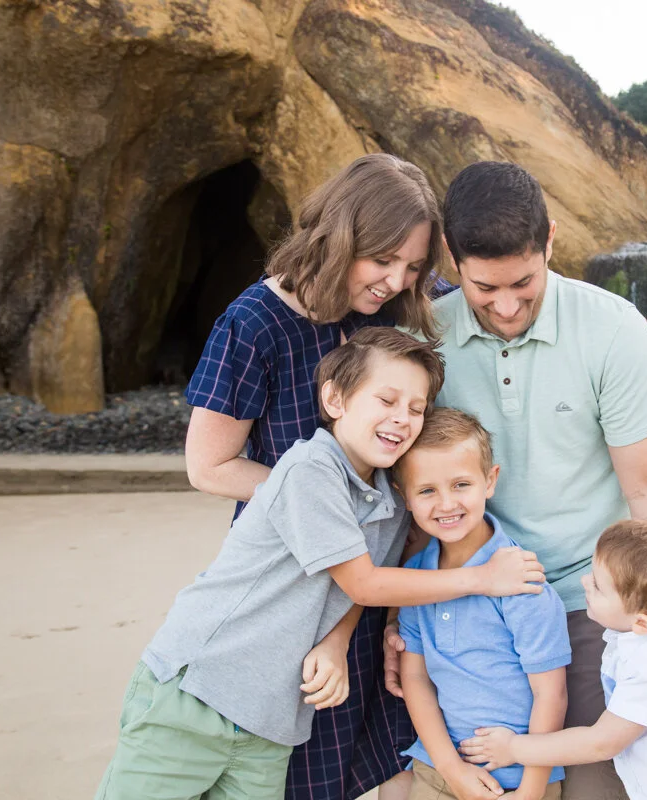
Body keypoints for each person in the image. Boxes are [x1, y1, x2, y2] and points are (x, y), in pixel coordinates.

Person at [387, 161, 647, 800]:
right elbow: (406, 488)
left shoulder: (612, 329)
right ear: (451, 257)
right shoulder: (421, 339)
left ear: (550, 239)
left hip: (594, 600)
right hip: (467, 598)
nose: (505, 305)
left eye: (524, 282)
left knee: (600, 789)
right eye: (483, 287)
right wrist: (404, 612)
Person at [95, 329, 547, 800]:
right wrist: (484, 578)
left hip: (272, 721)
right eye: (386, 400)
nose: (401, 419)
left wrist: (337, 640)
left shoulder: (391, 498)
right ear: (335, 398)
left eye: (416, 409)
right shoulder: (310, 469)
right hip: (197, 691)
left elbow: (360, 584)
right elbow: (366, 583)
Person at [182, 154, 462, 800]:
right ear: (341, 236)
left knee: (396, 750)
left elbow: (480, 291)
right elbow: (209, 467)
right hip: (297, 585)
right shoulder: (253, 324)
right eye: (382, 259)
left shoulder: (397, 308)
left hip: (387, 573)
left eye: (414, 266)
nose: (395, 279)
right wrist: (328, 505)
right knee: (309, 770)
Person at [459, 519, 647, 800]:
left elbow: (602, 743)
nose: (585, 582)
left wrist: (513, 748)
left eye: (597, 586)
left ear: (642, 623)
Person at [393, 408, 571, 800]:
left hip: (519, 778)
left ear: (490, 481)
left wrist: (531, 791)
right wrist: (450, 767)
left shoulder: (522, 582)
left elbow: (551, 694)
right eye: (426, 490)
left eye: (461, 485)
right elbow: (417, 679)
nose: (446, 504)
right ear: (404, 496)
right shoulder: (416, 578)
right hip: (439, 768)